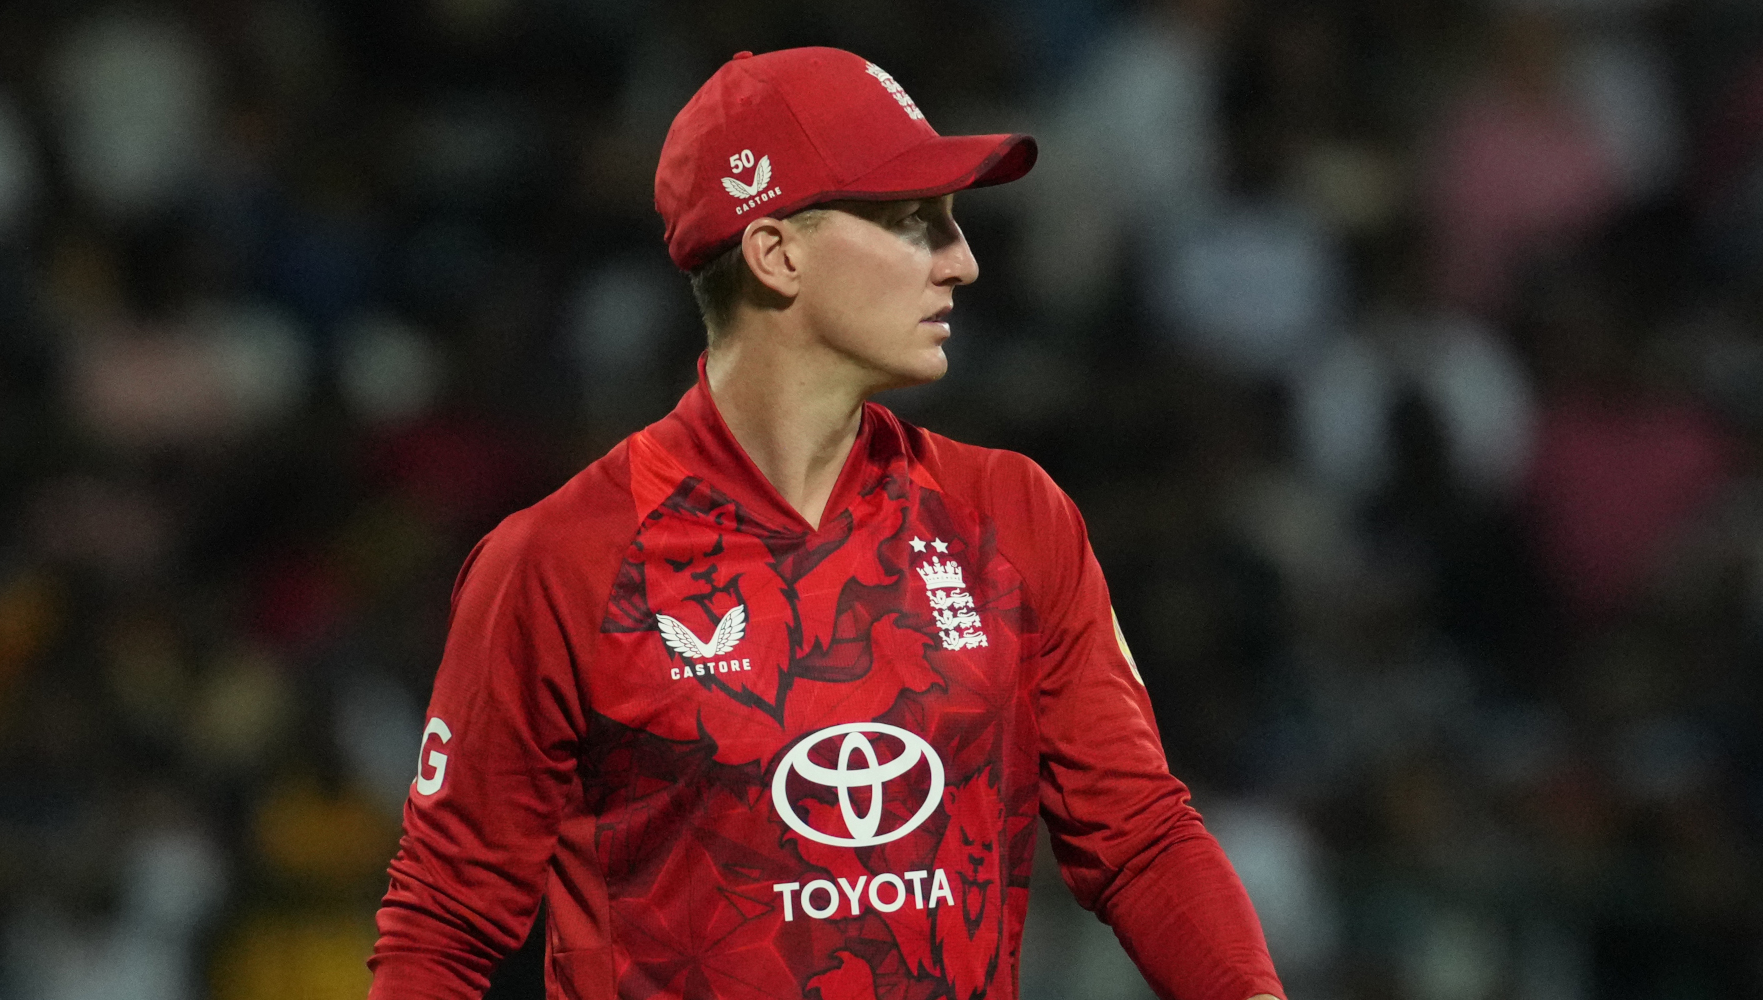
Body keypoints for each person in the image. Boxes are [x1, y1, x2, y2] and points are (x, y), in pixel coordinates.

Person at [368, 47, 1283, 1000]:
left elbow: (1138, 836)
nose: (963, 261)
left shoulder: (1013, 515)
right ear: (777, 254)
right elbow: (445, 925)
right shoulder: (561, 563)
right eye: (914, 222)